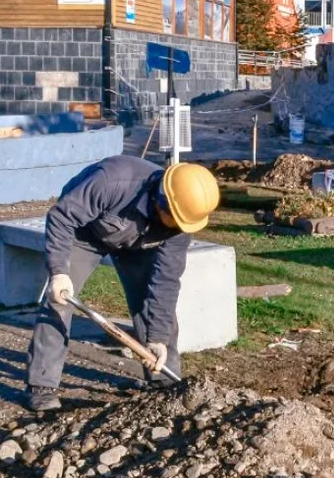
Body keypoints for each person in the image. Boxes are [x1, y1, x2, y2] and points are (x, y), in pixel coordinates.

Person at [24, 156, 221, 411]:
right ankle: (41, 387)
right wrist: (59, 272)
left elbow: (166, 280)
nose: (178, 228)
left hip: (141, 243)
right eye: (174, 220)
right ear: (161, 199)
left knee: (155, 311)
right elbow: (62, 217)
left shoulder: (181, 220)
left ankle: (163, 381)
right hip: (84, 231)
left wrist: (157, 338)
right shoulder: (112, 181)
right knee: (59, 300)